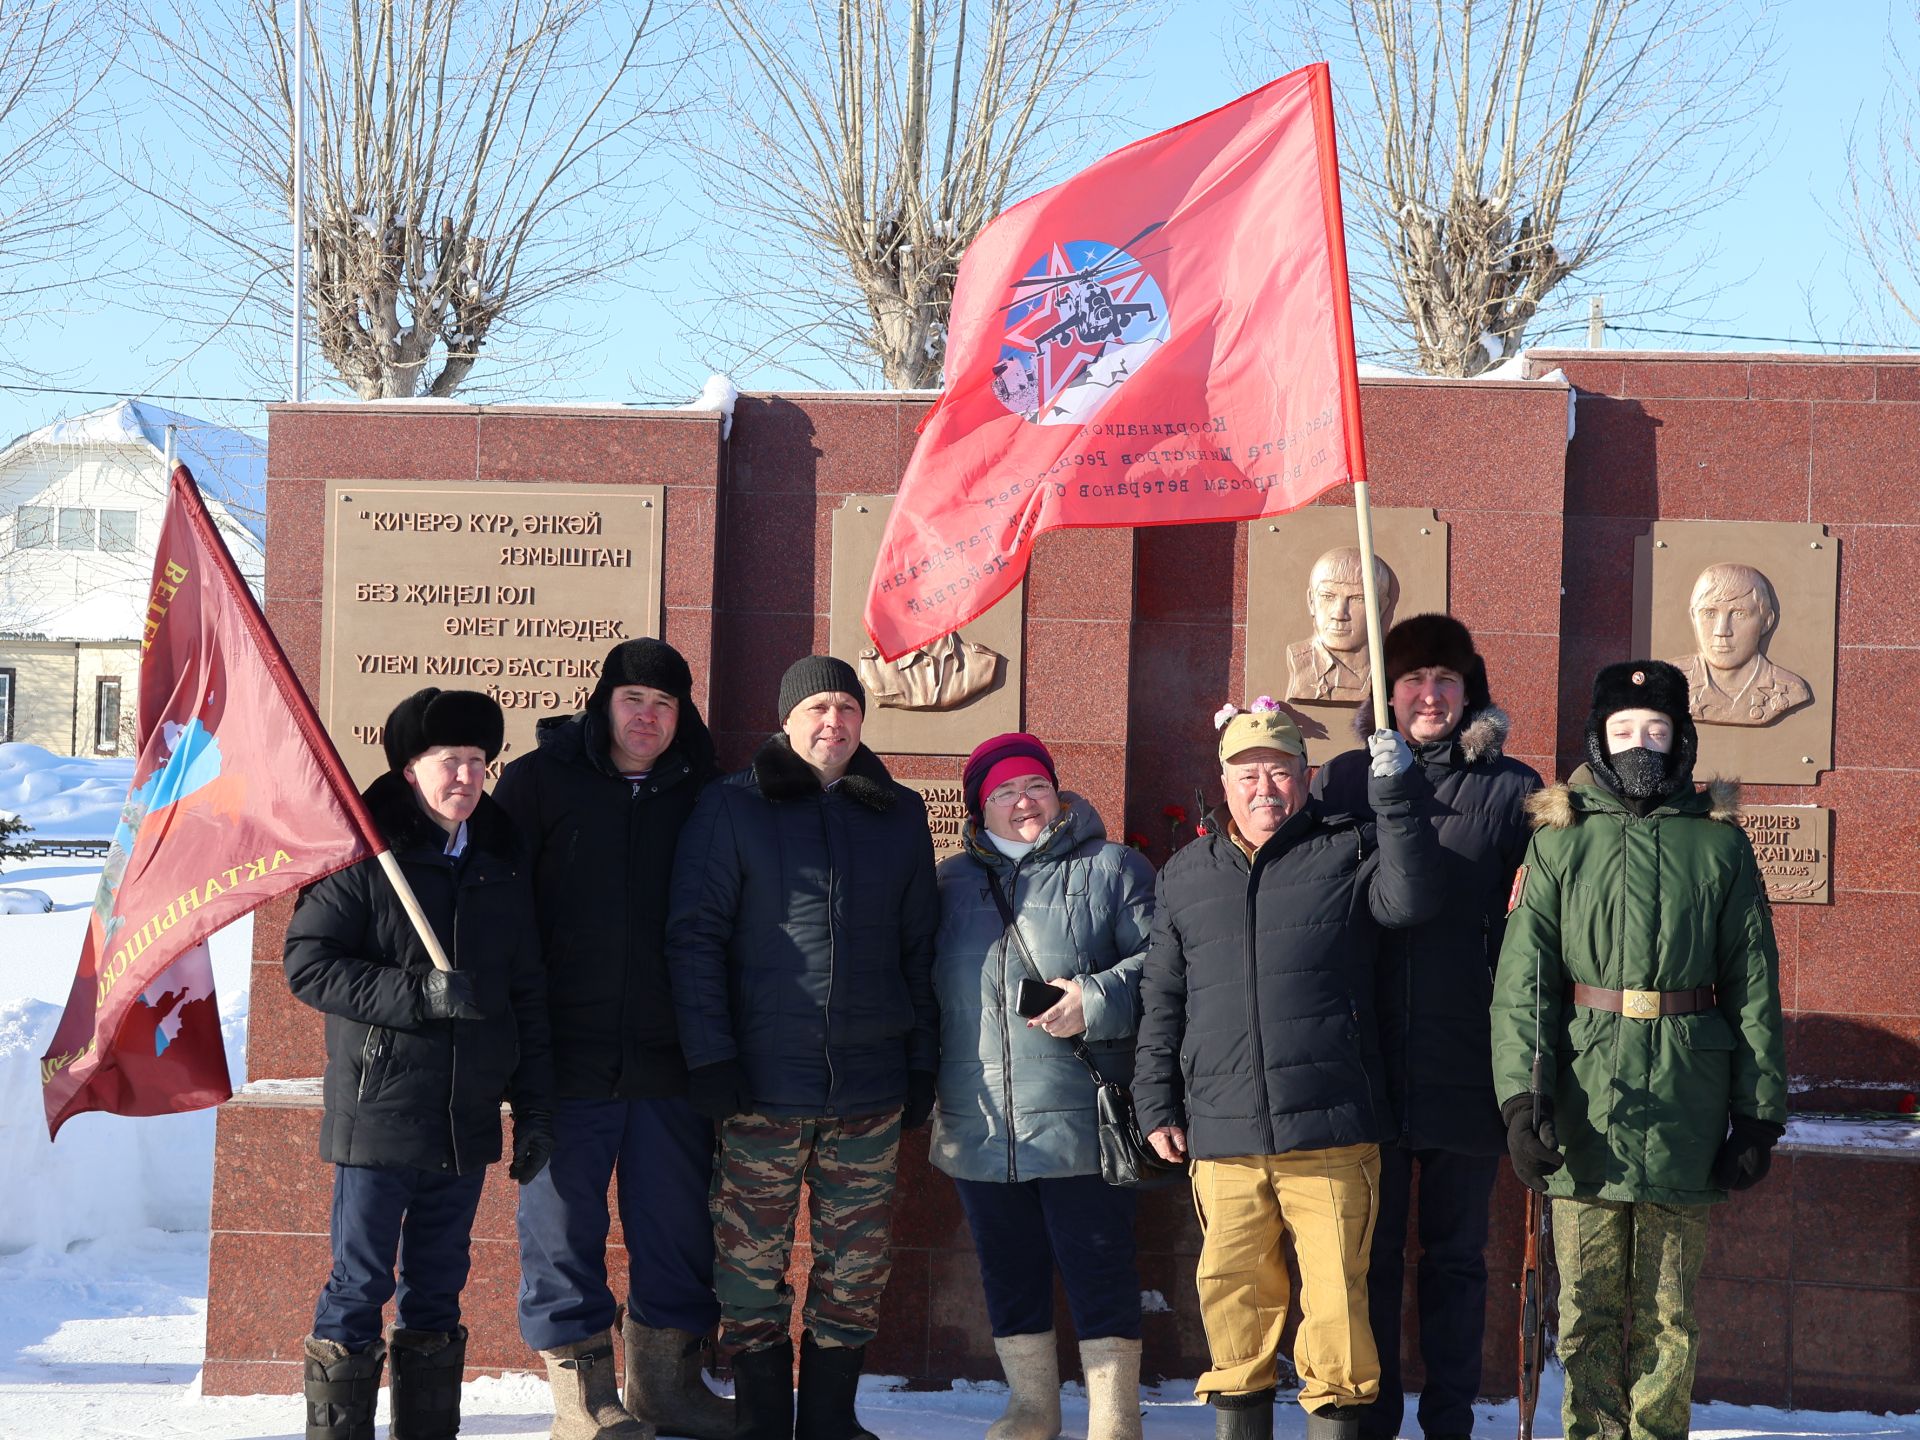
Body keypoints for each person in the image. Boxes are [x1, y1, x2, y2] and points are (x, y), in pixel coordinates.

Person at [1492, 660, 1787, 1440]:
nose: (1640, 744)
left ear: (1682, 737)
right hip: (1588, 1105)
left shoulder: (1719, 846)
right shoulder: (1561, 841)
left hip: (1686, 1106)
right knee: (1586, 1311)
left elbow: (1753, 983)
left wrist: (1757, 1118)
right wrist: (1525, 1105)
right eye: (1623, 730)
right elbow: (1524, 984)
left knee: (1668, 1316)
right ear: (1598, 737)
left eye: (1656, 729)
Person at [1134, 699, 1442, 1440]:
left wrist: (1396, 798)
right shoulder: (1186, 874)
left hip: (1332, 1128)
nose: (1263, 786)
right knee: (1235, 1310)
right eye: (1247, 773)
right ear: (1223, 782)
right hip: (1224, 1135)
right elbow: (1163, 994)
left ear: (1305, 778)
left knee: (1337, 1316)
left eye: (1279, 770)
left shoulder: (1349, 848)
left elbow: (1412, 899)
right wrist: (1154, 1102)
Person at [667, 656, 939, 1440]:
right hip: (758, 1089)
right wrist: (710, 1058)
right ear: (788, 719)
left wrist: (921, 1061)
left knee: (855, 1269)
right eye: (818, 707)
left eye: (848, 708)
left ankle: (828, 1421)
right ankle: (760, 1421)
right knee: (750, 1272)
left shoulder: (898, 814)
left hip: (870, 1088)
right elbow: (694, 940)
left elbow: (919, 946)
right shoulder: (732, 807)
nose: (834, 723)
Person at [285, 688, 554, 1440]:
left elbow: (526, 991)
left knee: (438, 1290)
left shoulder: (502, 860)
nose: (465, 776)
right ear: (410, 769)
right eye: (448, 761)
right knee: (359, 1284)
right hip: (379, 1112)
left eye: (478, 761)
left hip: (465, 1121)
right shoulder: (366, 855)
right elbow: (307, 963)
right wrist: (417, 994)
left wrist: (534, 1107)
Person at [491, 637, 730, 1440]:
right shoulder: (536, 784)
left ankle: (667, 1386)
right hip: (566, 1057)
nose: (647, 717)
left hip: (673, 1059)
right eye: (632, 699)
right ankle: (581, 1398)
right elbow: (498, 913)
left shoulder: (712, 790)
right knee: (561, 1227)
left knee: (677, 1228)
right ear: (603, 702)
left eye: (664, 704)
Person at [1311, 616, 1541, 1440]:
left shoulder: (1513, 790)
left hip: (1466, 1060)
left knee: (1454, 1258)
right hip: (1364, 1062)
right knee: (1363, 1260)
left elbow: (1539, 930)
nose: (1430, 695)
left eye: (1446, 679)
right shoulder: (1341, 783)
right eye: (1412, 680)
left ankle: (1450, 1419)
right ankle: (1369, 1421)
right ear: (1387, 691)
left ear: (1469, 689)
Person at [929, 732, 1156, 1440]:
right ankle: (1032, 1407)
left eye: (1034, 786)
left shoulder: (1112, 869)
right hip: (981, 1117)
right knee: (1007, 1265)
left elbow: (1166, 967)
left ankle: (1114, 1416)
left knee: (1098, 1262)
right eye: (1003, 792)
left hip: (1080, 1117)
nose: (1022, 801)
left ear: (1057, 794)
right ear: (979, 808)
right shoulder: (947, 885)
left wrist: (1093, 997)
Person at [1670, 562, 1812, 725]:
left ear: (1766, 622)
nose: (1721, 630)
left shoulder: (1790, 689)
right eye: (1709, 613)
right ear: (1694, 617)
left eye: (1739, 614)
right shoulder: (1664, 681)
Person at [1285, 548, 1401, 704]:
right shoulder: (1299, 661)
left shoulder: (1397, 669)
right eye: (1327, 596)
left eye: (1358, 599)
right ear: (1311, 602)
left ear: (1381, 607)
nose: (1339, 614)